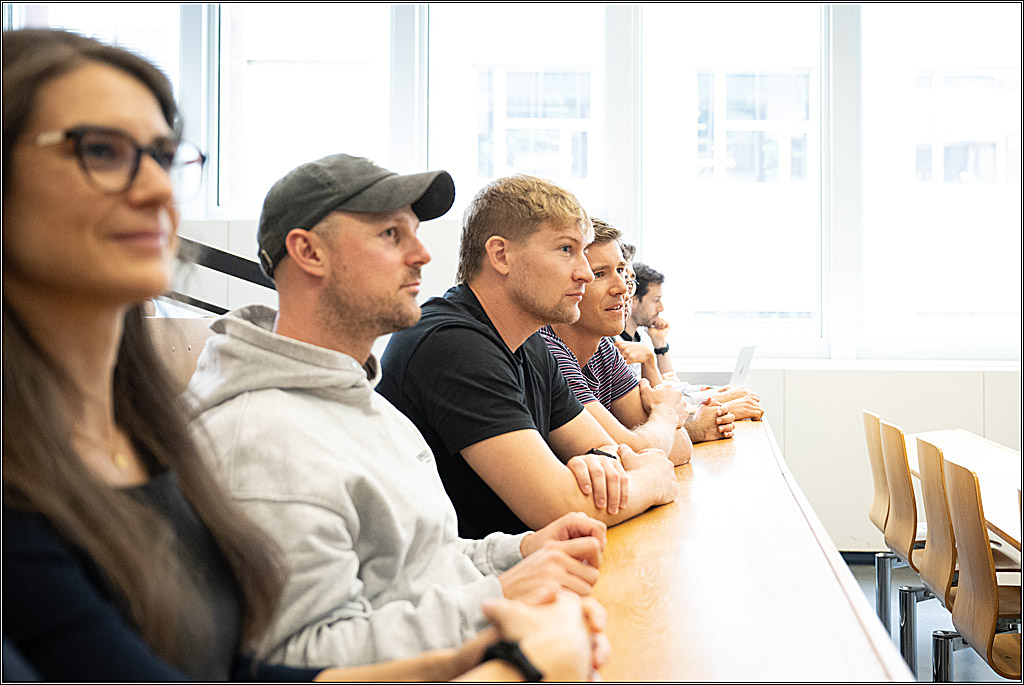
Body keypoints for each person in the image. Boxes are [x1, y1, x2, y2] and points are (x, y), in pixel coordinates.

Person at [2, 28, 606, 683]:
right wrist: (511, 652)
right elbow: (290, 648)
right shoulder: (254, 432)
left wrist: (512, 566)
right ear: (307, 252)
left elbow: (233, 668)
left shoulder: (145, 431)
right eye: (102, 150)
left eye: (163, 155)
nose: (155, 189)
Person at [188, 154, 609, 671]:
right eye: (391, 234)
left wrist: (521, 553)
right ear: (308, 252)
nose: (422, 255)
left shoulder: (364, 402)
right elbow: (298, 659)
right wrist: (497, 594)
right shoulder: (260, 437)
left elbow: (423, 563)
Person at [378, 175, 680, 540]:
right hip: (466, 584)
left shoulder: (531, 344)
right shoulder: (452, 343)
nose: (584, 272)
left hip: (522, 566)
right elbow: (561, 507)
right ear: (501, 255)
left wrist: (604, 465)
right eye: (566, 250)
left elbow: (613, 453)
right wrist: (652, 481)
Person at [541, 217, 732, 462]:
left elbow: (682, 447)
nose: (622, 287)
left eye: (620, 270)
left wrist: (655, 430)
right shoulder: (549, 351)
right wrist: (663, 414)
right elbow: (626, 453)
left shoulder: (604, 349)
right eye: (599, 274)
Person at [616, 261, 764, 421]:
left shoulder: (640, 338)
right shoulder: (616, 345)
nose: (661, 308)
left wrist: (660, 345)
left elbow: (668, 382)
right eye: (655, 300)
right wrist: (719, 401)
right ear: (634, 299)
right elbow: (654, 404)